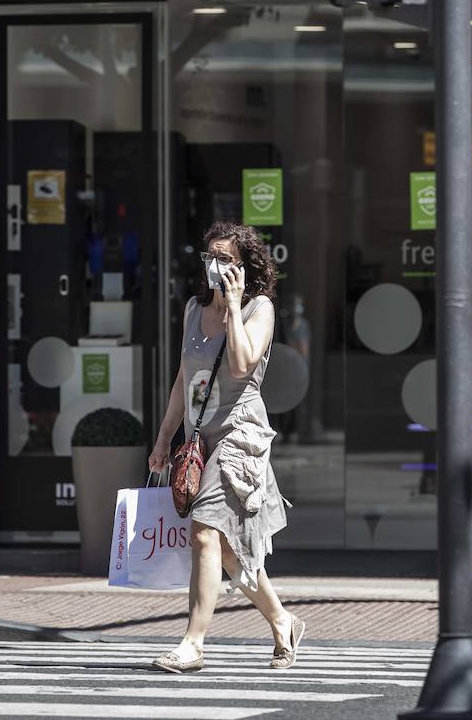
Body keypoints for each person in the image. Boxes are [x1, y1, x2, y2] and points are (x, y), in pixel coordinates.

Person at [147, 221, 302, 673]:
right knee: (228, 547)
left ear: (244, 267)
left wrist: (234, 306)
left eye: (224, 259)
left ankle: (193, 643)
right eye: (209, 257)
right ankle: (283, 621)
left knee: (203, 531)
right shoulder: (193, 309)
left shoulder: (260, 309)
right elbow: (182, 378)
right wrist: (163, 439)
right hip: (199, 437)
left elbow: (241, 362)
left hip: (239, 435)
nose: (214, 267)